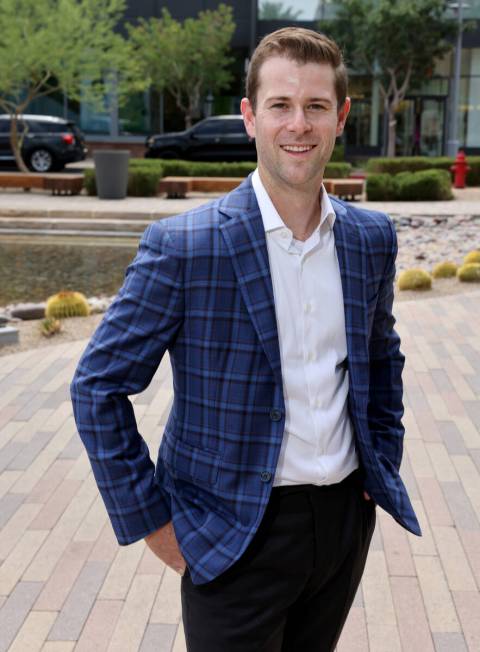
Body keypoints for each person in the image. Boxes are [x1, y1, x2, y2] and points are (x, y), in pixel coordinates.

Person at [71, 27, 421, 652]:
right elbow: (98, 387)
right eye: (281, 105)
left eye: (316, 106)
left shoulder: (371, 239)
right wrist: (153, 524)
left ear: (341, 116)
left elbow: (380, 354)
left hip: (341, 523)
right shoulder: (185, 246)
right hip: (230, 532)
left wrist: (381, 460)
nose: (299, 124)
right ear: (249, 117)